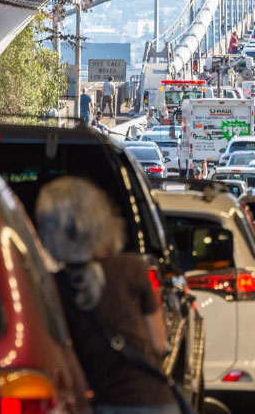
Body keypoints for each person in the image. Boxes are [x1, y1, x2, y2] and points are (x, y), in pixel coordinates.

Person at [35, 177, 180, 414]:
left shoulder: (53, 285)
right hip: (154, 401)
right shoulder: (133, 268)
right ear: (103, 222)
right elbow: (158, 342)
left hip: (102, 403)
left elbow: (64, 359)